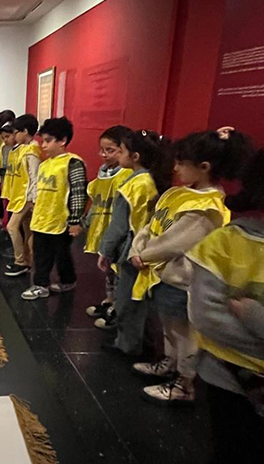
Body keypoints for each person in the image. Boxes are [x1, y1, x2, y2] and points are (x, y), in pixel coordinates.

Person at [129, 128, 253, 405]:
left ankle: (184, 383)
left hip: (182, 279)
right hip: (163, 273)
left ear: (204, 167)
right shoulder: (180, 194)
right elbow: (152, 224)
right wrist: (138, 248)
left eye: (182, 163)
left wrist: (144, 255)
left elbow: (176, 242)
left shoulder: (208, 205)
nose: (176, 169)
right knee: (169, 327)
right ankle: (169, 363)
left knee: (184, 333)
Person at [188, 149, 264, 463]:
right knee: (233, 446)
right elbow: (207, 314)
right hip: (228, 376)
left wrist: (253, 316)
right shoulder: (226, 242)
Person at [99, 130, 171, 355]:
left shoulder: (133, 184)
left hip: (132, 250)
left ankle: (128, 345)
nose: (118, 155)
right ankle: (141, 341)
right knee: (140, 300)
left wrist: (105, 250)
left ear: (135, 156)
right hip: (149, 248)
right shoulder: (153, 180)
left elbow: (120, 225)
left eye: (121, 151)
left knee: (127, 301)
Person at [22, 117, 87, 301]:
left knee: (61, 254)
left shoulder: (73, 163)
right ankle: (41, 285)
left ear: (62, 140)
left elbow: (78, 192)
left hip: (60, 220)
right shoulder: (45, 164)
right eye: (43, 141)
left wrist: (75, 220)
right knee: (41, 254)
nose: (43, 145)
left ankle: (68, 280)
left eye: (48, 141)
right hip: (41, 218)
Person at [83, 126, 133, 329]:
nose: (104, 155)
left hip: (119, 231)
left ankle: (118, 309)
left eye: (110, 150)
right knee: (108, 268)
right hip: (103, 226)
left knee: (118, 269)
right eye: (102, 150)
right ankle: (109, 299)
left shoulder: (128, 175)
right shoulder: (104, 171)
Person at [0, 115, 41, 277]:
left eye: (16, 132)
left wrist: (33, 199)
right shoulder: (23, 149)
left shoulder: (32, 151)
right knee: (27, 228)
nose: (14, 135)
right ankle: (28, 261)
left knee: (12, 227)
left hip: (26, 196)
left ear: (25, 131)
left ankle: (20, 261)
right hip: (20, 195)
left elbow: (34, 177)